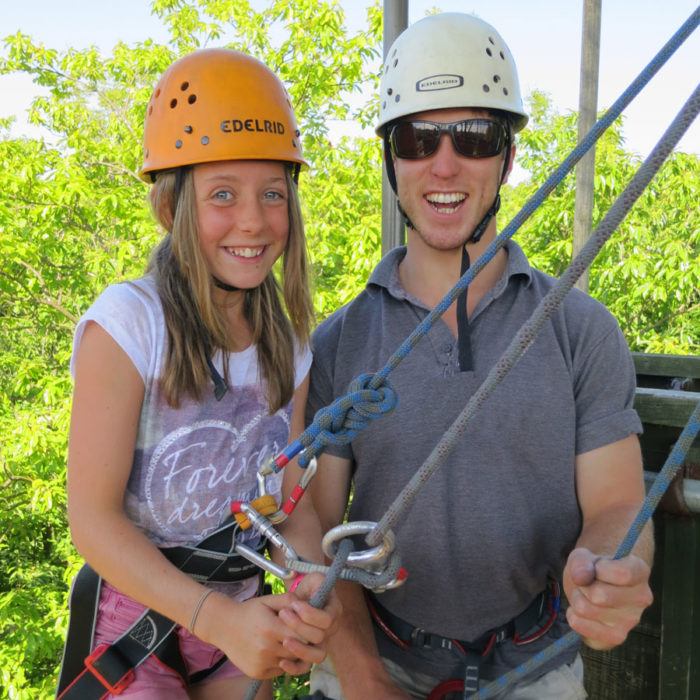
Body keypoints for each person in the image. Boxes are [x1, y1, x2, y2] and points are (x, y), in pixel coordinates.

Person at [300, 13, 654, 700]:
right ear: (390, 157)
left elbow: (615, 505)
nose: (444, 163)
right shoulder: (341, 343)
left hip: (535, 663)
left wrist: (611, 572)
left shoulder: (579, 332)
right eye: (416, 138)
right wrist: (367, 679)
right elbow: (314, 529)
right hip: (376, 654)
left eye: (474, 137)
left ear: (508, 157)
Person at [59, 48, 339, 700]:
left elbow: (288, 501)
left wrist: (307, 584)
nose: (254, 220)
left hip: (239, 616)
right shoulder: (129, 328)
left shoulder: (288, 342)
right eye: (223, 194)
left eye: (273, 193)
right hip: (139, 623)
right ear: (169, 207)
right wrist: (218, 619)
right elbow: (93, 521)